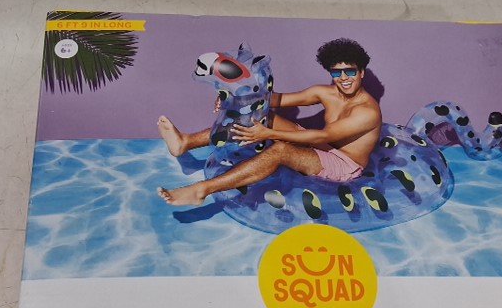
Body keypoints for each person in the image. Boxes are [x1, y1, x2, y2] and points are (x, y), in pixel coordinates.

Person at [157, 38, 382, 206]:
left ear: (361, 72)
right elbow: (274, 99)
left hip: (344, 164)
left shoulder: (367, 111)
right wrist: (233, 97)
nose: (344, 78)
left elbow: (323, 135)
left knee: (280, 150)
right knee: (262, 116)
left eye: (350, 71)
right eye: (337, 73)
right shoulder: (326, 92)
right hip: (322, 146)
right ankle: (185, 142)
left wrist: (268, 134)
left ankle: (201, 191)